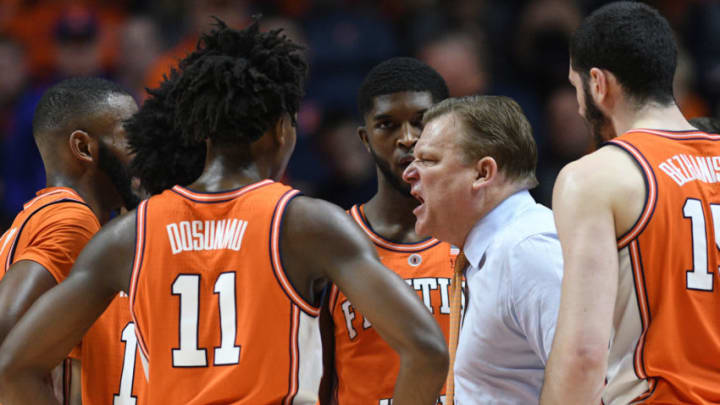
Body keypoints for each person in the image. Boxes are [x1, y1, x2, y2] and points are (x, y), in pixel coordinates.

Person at [0, 20, 449, 405]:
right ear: (281, 130)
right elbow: (427, 349)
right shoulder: (305, 223)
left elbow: (14, 368)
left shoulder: (128, 235)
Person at [540, 2, 720, 404]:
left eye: (575, 87)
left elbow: (583, 354)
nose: (578, 104)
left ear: (598, 83)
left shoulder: (594, 176)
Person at [402, 95, 564, 404]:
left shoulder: (528, 249)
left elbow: (592, 379)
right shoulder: (491, 251)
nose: (409, 173)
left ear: (482, 173)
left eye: (428, 160)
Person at [320, 57, 455, 404]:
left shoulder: (482, 236)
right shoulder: (332, 242)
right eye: (387, 125)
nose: (407, 139)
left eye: (420, 122)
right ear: (365, 138)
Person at [0, 77, 142, 404]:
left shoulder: (37, 215)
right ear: (83, 147)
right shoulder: (72, 221)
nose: (141, 152)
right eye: (129, 137)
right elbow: (5, 332)